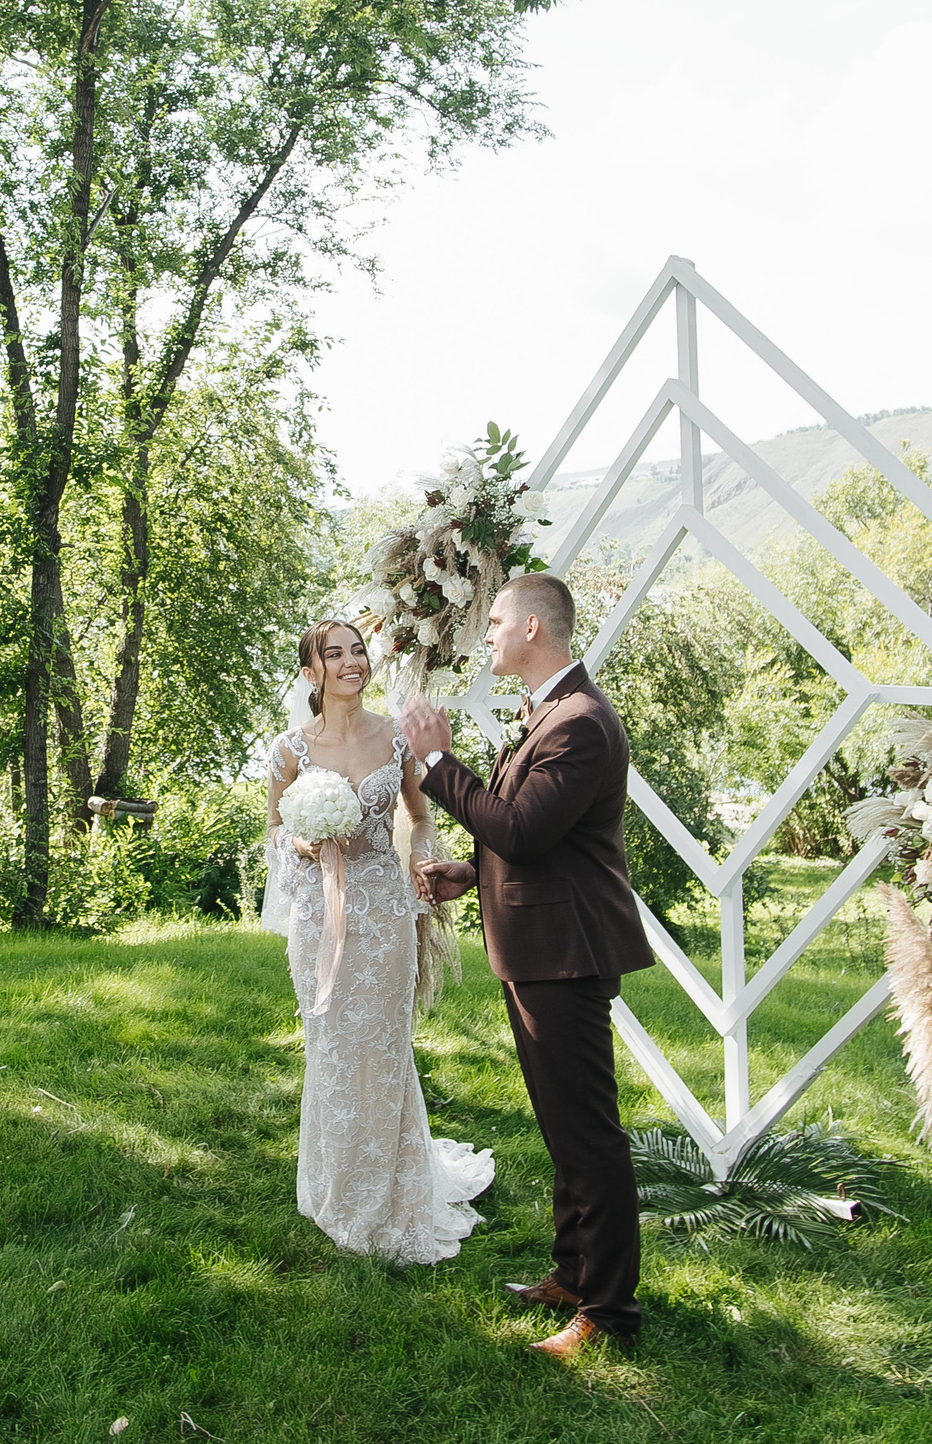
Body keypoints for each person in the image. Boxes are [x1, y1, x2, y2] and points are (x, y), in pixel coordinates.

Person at [398, 573, 655, 1360]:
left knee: (588, 1134)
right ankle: (573, 1273)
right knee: (562, 1125)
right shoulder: (549, 712)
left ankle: (608, 1309)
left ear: (537, 627)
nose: (490, 631)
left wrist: (437, 760)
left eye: (499, 618)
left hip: (565, 954)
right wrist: (469, 873)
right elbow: (533, 836)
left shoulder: (579, 721)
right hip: (540, 947)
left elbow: (523, 827)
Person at [263, 618, 493, 1263]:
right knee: (332, 1047)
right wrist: (301, 842)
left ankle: (393, 1193)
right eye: (332, 655)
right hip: (317, 923)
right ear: (312, 673)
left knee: (383, 1047)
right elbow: (273, 834)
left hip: (384, 916)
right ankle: (337, 1187)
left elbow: (419, 819)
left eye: (357, 650)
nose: (350, 662)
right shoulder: (288, 751)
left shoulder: (395, 739)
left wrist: (421, 863)